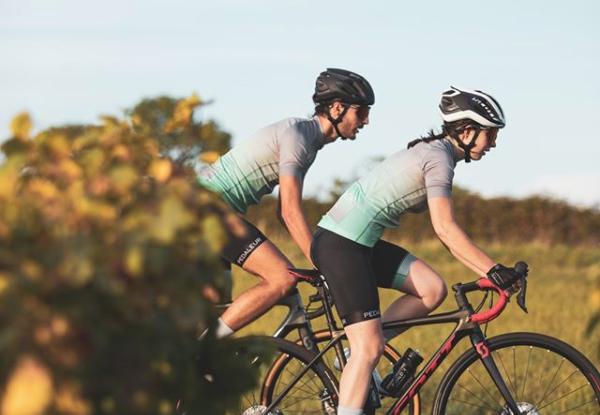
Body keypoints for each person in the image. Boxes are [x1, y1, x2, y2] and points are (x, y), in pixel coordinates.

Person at [310, 86, 523, 415]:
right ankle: (361, 357)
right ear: (467, 131)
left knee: (431, 288)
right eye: (490, 134)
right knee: (369, 346)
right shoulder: (439, 159)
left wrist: (490, 270)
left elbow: (444, 231)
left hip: (356, 243)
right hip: (341, 244)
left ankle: (357, 358)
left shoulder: (437, 153)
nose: (493, 143)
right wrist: (493, 270)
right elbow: (445, 228)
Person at [198, 68, 375, 339]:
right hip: (207, 210)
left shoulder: (307, 140)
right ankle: (206, 350)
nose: (366, 121)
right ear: (338, 108)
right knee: (281, 278)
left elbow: (284, 212)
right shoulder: (299, 137)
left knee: (210, 308)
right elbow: (289, 211)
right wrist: (325, 266)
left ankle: (191, 366)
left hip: (202, 209)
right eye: (361, 112)